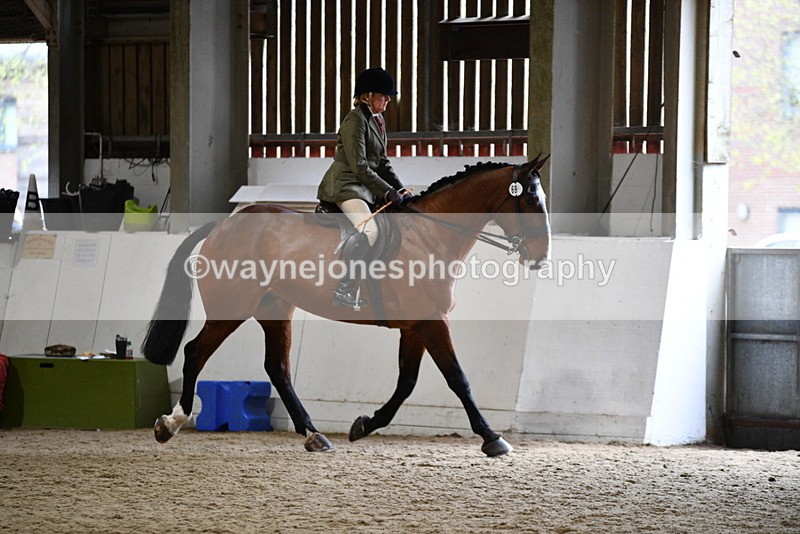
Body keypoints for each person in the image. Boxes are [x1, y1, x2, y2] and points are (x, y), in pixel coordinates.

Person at [317, 67, 411, 308]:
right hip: (346, 186)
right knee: (370, 231)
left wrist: (399, 190)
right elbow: (359, 166)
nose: (388, 100)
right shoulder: (354, 120)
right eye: (383, 95)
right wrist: (385, 191)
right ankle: (344, 288)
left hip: (364, 187)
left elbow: (383, 164)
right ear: (367, 96)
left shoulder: (378, 121)